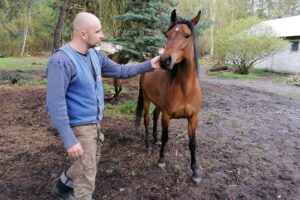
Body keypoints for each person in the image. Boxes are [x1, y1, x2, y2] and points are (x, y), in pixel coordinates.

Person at [46, 12, 160, 200]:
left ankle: (61, 187)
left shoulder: (94, 55)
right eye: (98, 31)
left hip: (94, 124)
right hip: (79, 127)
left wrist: (149, 64)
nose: (102, 35)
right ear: (83, 34)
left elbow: (120, 71)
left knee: (85, 163)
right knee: (87, 174)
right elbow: (54, 103)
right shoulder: (61, 61)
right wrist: (69, 139)